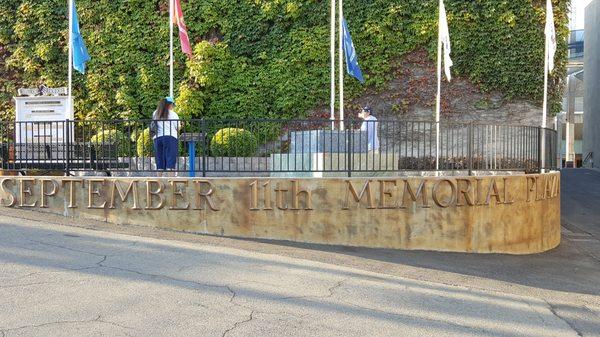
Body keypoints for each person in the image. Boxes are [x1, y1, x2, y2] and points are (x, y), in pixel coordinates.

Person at [152, 97, 181, 176]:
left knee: (159, 159)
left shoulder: (155, 113)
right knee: (170, 159)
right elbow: (178, 127)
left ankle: (159, 180)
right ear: (170, 104)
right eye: (172, 105)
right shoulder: (173, 114)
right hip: (170, 137)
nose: (173, 107)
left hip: (157, 138)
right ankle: (171, 182)